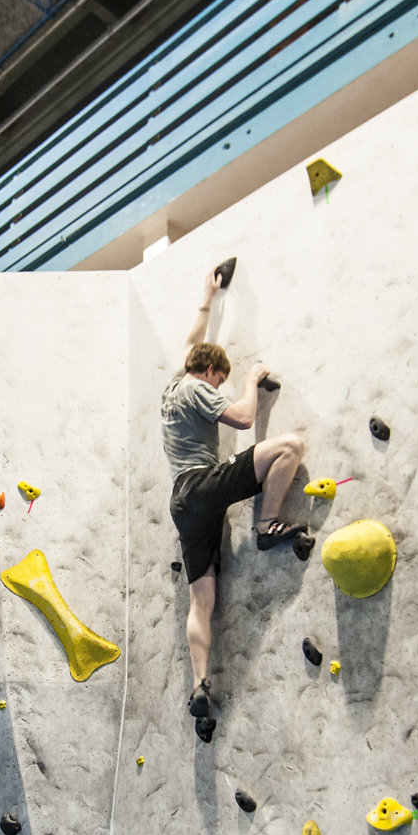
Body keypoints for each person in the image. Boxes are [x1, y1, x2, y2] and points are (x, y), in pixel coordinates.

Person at [161, 265, 306, 738]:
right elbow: (243, 419)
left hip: (183, 504)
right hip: (202, 483)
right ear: (209, 373)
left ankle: (200, 684)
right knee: (289, 447)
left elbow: (193, 337)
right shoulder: (197, 386)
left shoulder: (173, 383)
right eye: (216, 379)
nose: (215, 389)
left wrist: (210, 296)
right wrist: (250, 379)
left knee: (201, 599)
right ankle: (266, 526)